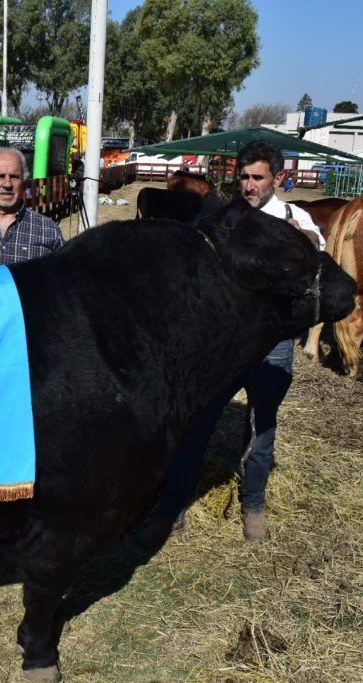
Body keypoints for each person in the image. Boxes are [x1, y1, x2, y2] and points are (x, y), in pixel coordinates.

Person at [142, 140, 324, 546]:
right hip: (223, 346)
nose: (249, 185)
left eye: (257, 177)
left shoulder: (295, 220)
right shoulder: (222, 221)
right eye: (243, 177)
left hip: (273, 346)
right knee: (195, 424)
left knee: (261, 427)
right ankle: (171, 510)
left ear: (278, 178)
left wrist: (304, 241)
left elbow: (317, 255)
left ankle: (253, 507)